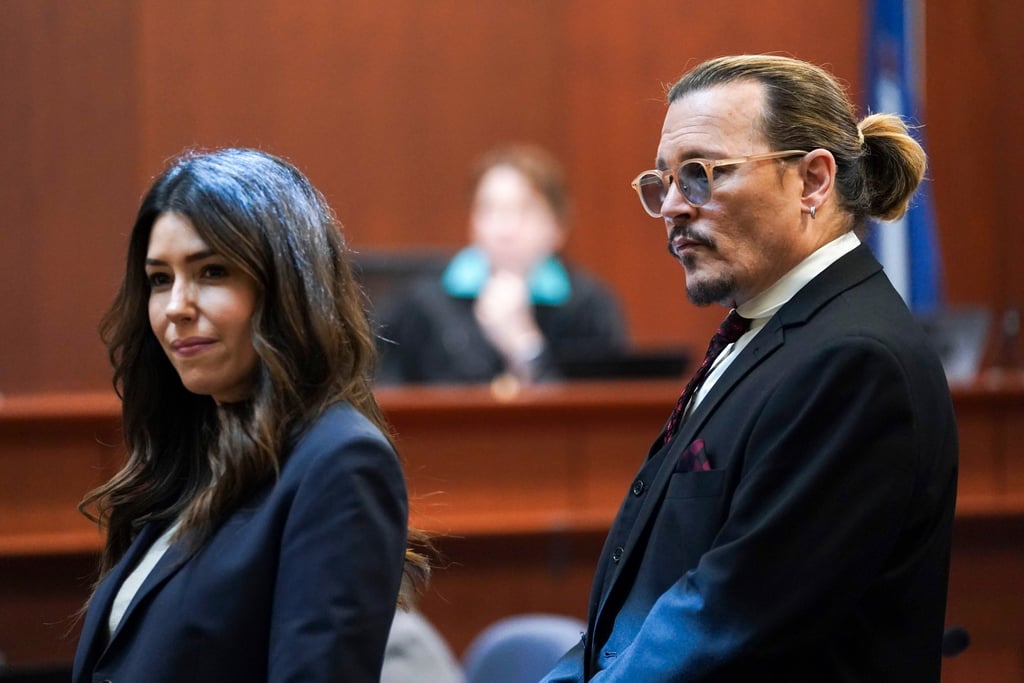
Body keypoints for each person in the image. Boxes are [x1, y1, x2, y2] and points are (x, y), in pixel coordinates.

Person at [542, 55, 958, 682]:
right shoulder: (769, 330)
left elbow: (728, 617)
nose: (674, 208)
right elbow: (652, 596)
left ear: (813, 181)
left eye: (703, 175)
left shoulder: (854, 359)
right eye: (664, 184)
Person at [73, 148, 428, 682]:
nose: (176, 306)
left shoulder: (340, 462)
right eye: (160, 279)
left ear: (288, 287)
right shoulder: (193, 453)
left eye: (211, 272)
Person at [374, 144, 628, 385]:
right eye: (488, 209)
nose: (504, 229)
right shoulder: (421, 301)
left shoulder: (589, 306)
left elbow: (595, 415)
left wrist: (525, 346)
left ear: (558, 226)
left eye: (524, 210)